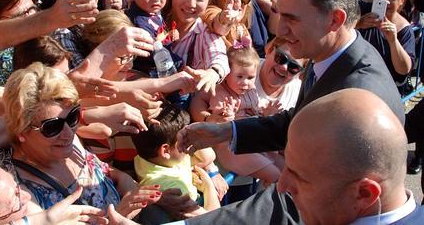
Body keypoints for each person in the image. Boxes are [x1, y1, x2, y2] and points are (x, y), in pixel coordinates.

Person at [176, 0, 404, 175]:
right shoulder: (329, 57)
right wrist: (225, 131)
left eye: (292, 19)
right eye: (279, 15)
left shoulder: (358, 97)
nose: (281, 30)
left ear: (334, 20)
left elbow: (320, 191)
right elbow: (299, 122)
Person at [107, 89, 421, 225]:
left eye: (300, 179)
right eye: (288, 168)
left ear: (365, 193)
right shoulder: (333, 207)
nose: (280, 186)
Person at [3, 62, 161, 217]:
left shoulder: (70, 144)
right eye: (52, 127)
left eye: (73, 117)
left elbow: (106, 172)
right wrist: (119, 217)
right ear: (21, 131)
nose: (68, 133)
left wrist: (129, 185)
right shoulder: (19, 193)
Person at [190, 37, 284, 186]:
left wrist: (266, 114)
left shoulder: (250, 91)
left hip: (252, 137)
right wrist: (227, 117)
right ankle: (267, 206)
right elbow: (218, 124)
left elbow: (254, 113)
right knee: (275, 175)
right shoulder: (221, 93)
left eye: (250, 77)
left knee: (285, 167)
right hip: (233, 145)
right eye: (239, 76)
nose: (245, 82)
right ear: (227, 74)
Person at [131, 108, 222, 222]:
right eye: (185, 138)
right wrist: (209, 187)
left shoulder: (146, 158)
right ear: (166, 150)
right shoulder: (172, 187)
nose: (191, 141)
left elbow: (208, 156)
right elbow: (212, 220)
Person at [357, 0, 414, 94]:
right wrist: (358, 24)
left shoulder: (404, 29)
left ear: (401, 0)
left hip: (384, 90)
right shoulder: (363, 10)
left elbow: (404, 69)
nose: (386, 1)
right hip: (357, 81)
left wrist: (393, 41)